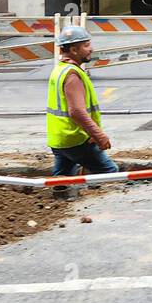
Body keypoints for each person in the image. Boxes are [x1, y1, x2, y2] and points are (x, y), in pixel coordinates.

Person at [47, 25, 118, 194]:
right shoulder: (72, 75)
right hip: (76, 139)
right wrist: (98, 135)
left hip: (60, 138)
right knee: (110, 173)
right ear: (73, 49)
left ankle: (59, 202)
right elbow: (77, 111)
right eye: (86, 45)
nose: (90, 48)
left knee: (62, 179)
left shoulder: (60, 69)